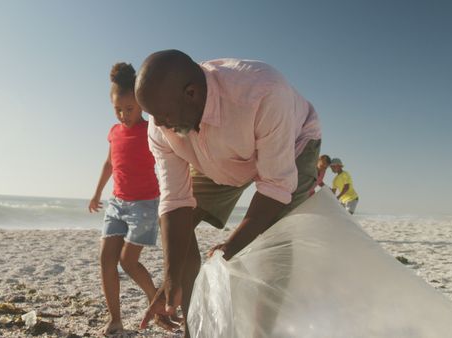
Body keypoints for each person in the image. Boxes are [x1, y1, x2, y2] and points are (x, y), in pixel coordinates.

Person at [134, 50, 321, 337]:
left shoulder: (263, 93)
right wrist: (170, 280)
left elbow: (275, 186)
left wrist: (229, 249)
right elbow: (175, 202)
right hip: (220, 160)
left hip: (293, 147)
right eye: (151, 115)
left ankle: (263, 331)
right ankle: (193, 327)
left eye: (163, 115)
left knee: (275, 246)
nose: (156, 124)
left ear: (191, 93)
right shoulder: (161, 125)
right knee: (180, 231)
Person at [88, 62, 179, 335]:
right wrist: (96, 193)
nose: (123, 115)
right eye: (117, 109)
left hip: (145, 205)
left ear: (140, 105)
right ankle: (115, 319)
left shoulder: (152, 129)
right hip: (117, 203)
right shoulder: (114, 133)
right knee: (106, 260)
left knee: (128, 261)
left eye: (129, 109)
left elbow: (169, 159)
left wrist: (171, 198)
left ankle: (157, 303)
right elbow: (109, 164)